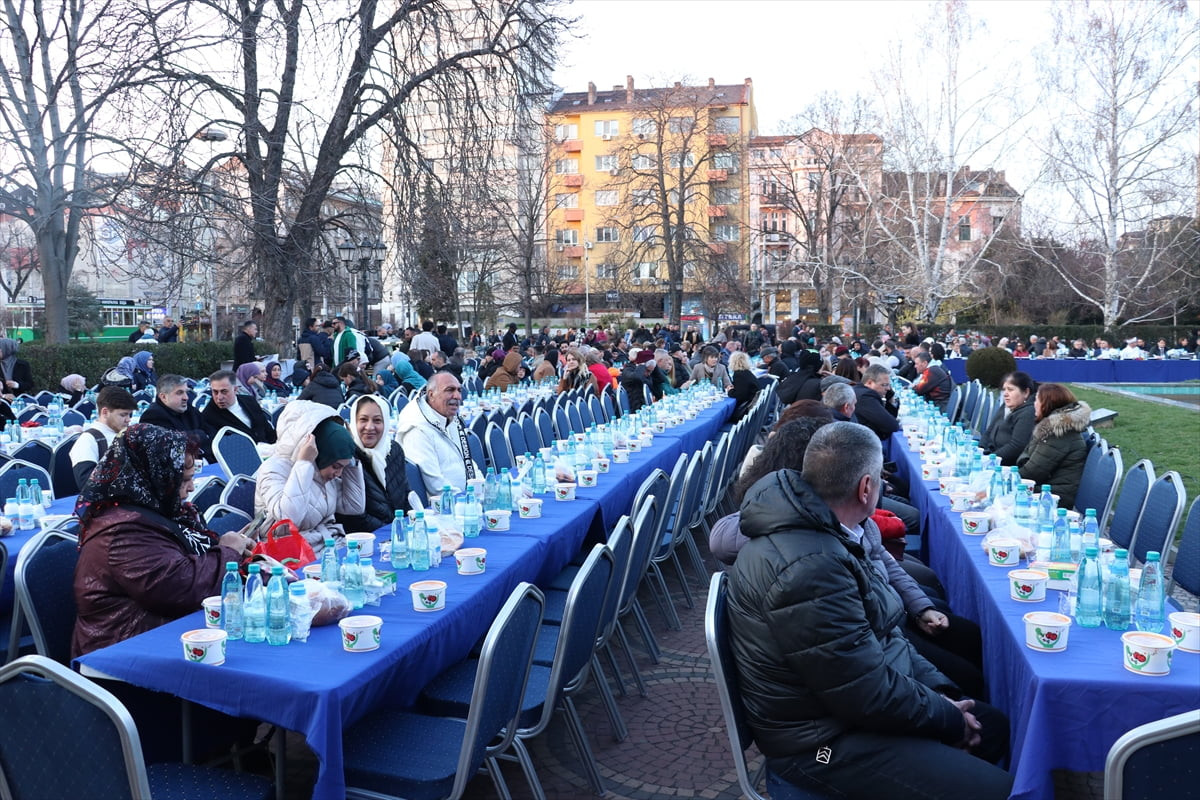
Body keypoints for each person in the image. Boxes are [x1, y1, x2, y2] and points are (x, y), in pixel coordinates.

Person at [727, 422, 1012, 799]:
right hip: (818, 748)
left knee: (989, 724)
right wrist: (947, 720)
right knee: (998, 788)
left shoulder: (826, 532)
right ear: (866, 488)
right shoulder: (810, 566)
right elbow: (862, 692)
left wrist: (942, 694)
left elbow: (886, 637)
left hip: (837, 716)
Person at [71, 425, 256, 657]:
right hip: (124, 652)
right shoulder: (121, 532)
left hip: (161, 633)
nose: (190, 488)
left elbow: (189, 558)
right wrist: (228, 552)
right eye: (183, 480)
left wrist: (240, 556)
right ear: (154, 476)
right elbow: (182, 587)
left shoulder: (158, 510)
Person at [255, 400, 365, 554]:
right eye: (336, 466)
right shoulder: (273, 470)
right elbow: (289, 519)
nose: (339, 474)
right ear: (321, 455)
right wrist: (304, 463)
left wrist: (350, 461)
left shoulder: (322, 471)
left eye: (342, 468)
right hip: (290, 555)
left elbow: (354, 506)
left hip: (324, 546)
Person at [396, 371, 480, 497]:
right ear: (431, 394)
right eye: (450, 390)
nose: (457, 396)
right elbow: (436, 486)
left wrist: (484, 488)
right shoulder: (417, 430)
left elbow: (468, 463)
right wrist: (469, 500)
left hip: (468, 499)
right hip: (444, 508)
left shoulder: (449, 418)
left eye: (459, 390)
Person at [336, 394, 410, 532]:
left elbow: (405, 495)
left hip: (398, 532)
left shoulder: (393, 450)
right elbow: (354, 517)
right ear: (354, 422)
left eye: (377, 421)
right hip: (366, 537)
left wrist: (410, 525)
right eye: (363, 420)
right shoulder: (347, 457)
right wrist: (390, 531)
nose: (369, 427)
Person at [1017, 383, 1091, 508]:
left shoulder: (1058, 434)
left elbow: (1031, 473)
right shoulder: (1053, 430)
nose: (1034, 404)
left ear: (1047, 404)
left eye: (1037, 400)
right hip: (1047, 489)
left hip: (1055, 498)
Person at [69, 386, 137, 489]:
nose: (128, 420)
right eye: (123, 415)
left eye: (129, 415)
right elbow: (87, 486)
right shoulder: (88, 440)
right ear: (105, 412)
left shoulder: (127, 434)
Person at [138, 374, 214, 459]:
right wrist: (200, 435)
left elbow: (211, 435)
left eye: (186, 392)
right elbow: (172, 444)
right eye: (179, 393)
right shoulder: (152, 416)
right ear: (163, 397)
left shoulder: (190, 410)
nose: (186, 397)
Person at [201, 369, 277, 445]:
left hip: (269, 449)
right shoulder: (208, 415)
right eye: (215, 392)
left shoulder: (250, 401)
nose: (219, 397)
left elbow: (267, 429)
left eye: (224, 391)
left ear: (235, 389)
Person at [980, 371, 1037, 466]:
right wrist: (979, 451)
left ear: (1026, 392)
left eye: (1010, 390)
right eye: (1004, 390)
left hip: (1006, 466)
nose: (1005, 394)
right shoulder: (1006, 406)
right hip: (990, 457)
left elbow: (1016, 446)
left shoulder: (1028, 413)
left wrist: (989, 459)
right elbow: (988, 431)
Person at [853, 364, 900, 441]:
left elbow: (890, 419)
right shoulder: (866, 397)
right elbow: (891, 425)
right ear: (869, 383)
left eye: (889, 385)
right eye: (884, 385)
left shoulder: (859, 390)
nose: (888, 389)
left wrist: (890, 399)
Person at [728, 351, 759, 419]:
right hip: (753, 406)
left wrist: (730, 391)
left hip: (746, 411)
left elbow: (740, 395)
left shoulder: (739, 375)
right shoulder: (747, 372)